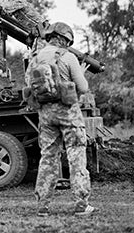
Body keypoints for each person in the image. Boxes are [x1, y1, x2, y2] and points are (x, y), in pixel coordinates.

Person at [28, 21, 95, 216]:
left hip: (46, 115)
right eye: (68, 40)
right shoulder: (68, 57)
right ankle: (81, 205)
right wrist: (79, 73)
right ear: (63, 38)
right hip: (68, 114)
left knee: (48, 158)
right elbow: (83, 88)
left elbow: (29, 83)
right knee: (76, 157)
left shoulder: (35, 58)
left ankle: (42, 207)